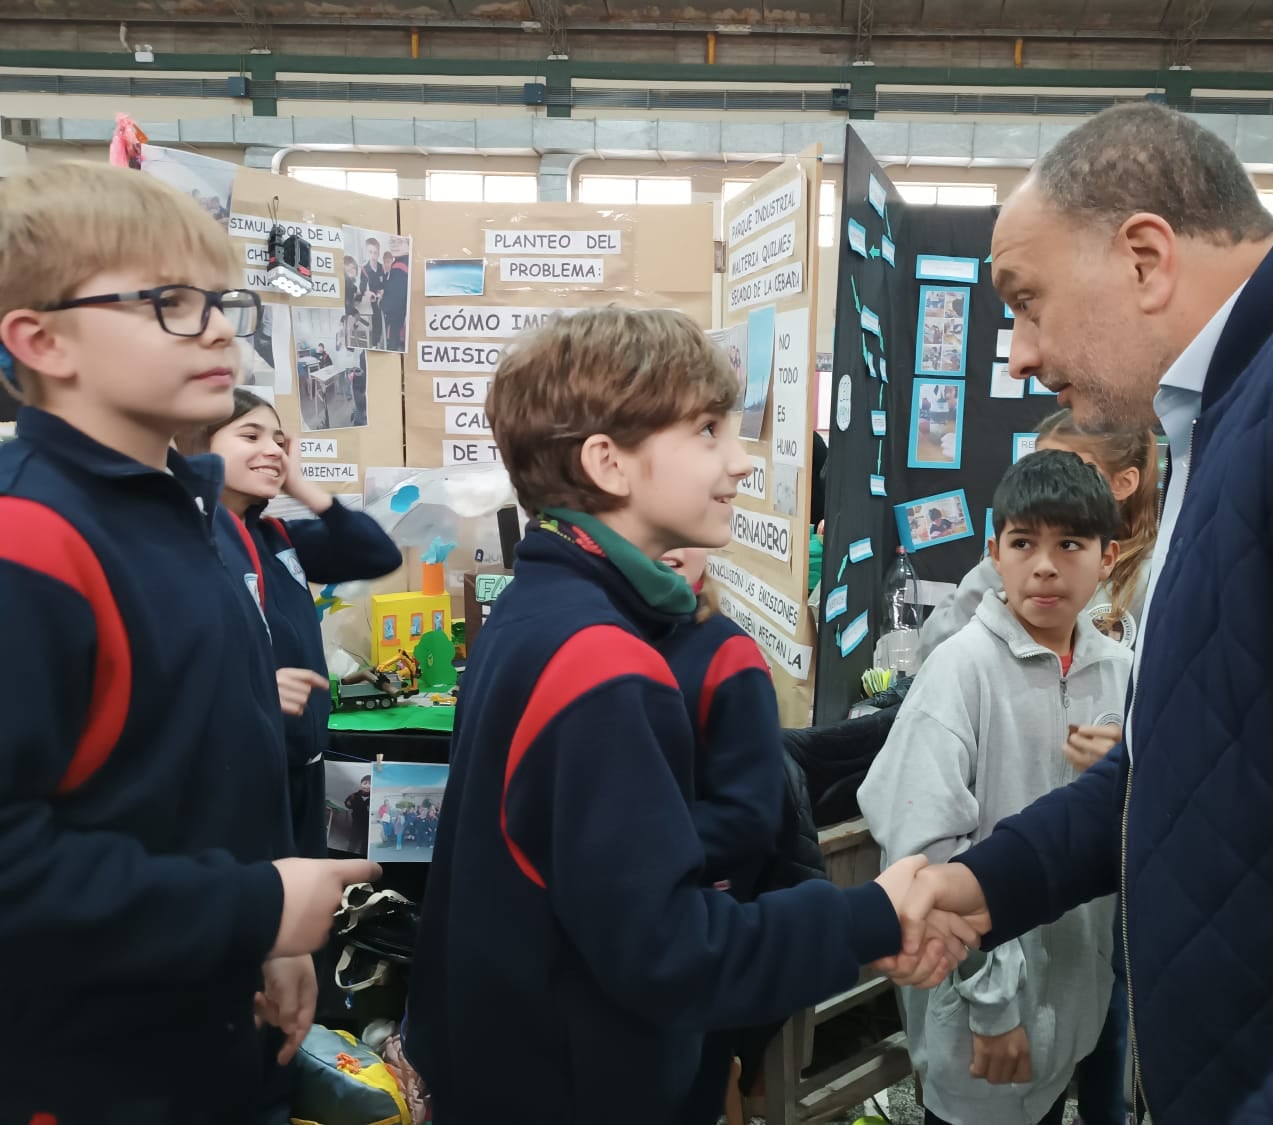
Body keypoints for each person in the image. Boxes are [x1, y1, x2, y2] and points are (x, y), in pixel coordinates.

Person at [883, 103, 1273, 1123]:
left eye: (1026, 301)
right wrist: (993, 885)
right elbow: (1194, 750)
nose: (1021, 355)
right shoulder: (1251, 409)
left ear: (1144, 257)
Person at [403, 307, 980, 1124]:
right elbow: (666, 951)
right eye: (708, 430)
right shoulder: (604, 663)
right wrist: (864, 915)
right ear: (608, 462)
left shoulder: (533, 613)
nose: (741, 462)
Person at [0, 162, 380, 1123]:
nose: (217, 327)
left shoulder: (187, 518)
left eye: (218, 300)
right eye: (167, 302)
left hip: (214, 1024)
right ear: (41, 338)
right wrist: (254, 907)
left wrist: (267, 943)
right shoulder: (31, 545)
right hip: (93, 1073)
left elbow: (194, 775)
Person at [861, 450, 1131, 1125]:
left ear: (1108, 557)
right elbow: (924, 860)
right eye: (1023, 542)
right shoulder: (960, 671)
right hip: (980, 1022)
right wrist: (993, 1004)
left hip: (1072, 1000)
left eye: (1069, 542)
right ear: (994, 552)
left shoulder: (1124, 671)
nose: (1044, 564)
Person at [178, 388, 402, 858]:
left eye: (280, 441)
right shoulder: (182, 540)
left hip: (301, 768)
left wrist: (299, 485)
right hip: (237, 774)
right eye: (250, 435)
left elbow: (377, 553)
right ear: (196, 446)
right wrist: (253, 689)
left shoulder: (277, 536)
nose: (272, 450)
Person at [659, 545, 786, 1124]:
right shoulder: (592, 632)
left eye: (679, 528)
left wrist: (621, 841)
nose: (665, 545)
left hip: (691, 930)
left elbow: (749, 820)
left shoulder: (727, 655)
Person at [919, 408, 1158, 668]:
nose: (1051, 484)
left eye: (1075, 469)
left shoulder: (1154, 574)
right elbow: (935, 652)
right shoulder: (1004, 565)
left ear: (1123, 483)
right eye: (1040, 466)